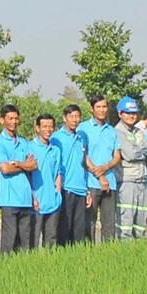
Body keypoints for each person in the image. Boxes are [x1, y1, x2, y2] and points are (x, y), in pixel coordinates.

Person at [0, 105, 40, 255]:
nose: (13, 121)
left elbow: (34, 165)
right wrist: (25, 165)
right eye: (10, 118)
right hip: (9, 199)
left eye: (16, 118)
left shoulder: (23, 142)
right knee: (9, 241)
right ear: (2, 120)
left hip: (25, 199)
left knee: (25, 242)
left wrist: (18, 163)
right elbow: (5, 169)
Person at [79, 96, 121, 243]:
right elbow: (83, 155)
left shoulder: (111, 130)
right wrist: (99, 175)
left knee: (109, 223)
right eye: (98, 107)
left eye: (104, 107)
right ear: (92, 109)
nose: (102, 110)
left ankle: (108, 255)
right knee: (89, 222)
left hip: (111, 182)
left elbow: (116, 156)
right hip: (91, 183)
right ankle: (88, 254)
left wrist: (105, 167)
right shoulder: (83, 128)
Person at [113, 97, 147, 240]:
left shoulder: (139, 131)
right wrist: (139, 150)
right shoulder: (117, 132)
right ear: (120, 114)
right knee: (126, 222)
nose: (132, 116)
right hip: (127, 181)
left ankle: (140, 256)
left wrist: (137, 150)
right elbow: (130, 154)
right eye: (128, 113)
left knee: (141, 222)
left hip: (142, 180)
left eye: (134, 113)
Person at [54, 104, 91, 246]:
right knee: (64, 230)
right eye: (71, 117)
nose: (75, 120)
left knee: (79, 233)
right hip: (65, 188)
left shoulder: (82, 137)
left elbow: (83, 163)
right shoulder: (57, 137)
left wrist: (87, 189)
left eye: (77, 116)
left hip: (80, 189)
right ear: (65, 118)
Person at [30, 112, 64, 247]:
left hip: (52, 200)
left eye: (50, 127)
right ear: (37, 128)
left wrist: (58, 194)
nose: (47, 130)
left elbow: (58, 173)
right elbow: (27, 175)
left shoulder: (55, 149)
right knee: (33, 238)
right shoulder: (29, 147)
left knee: (51, 238)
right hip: (36, 201)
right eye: (44, 126)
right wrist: (33, 197)